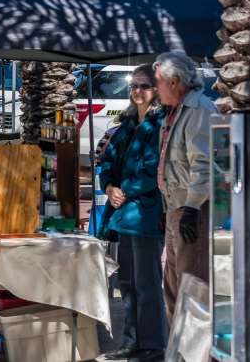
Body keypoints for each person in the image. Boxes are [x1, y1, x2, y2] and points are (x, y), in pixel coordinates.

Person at [98, 64, 167, 362]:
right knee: (126, 282)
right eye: (135, 86)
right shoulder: (126, 123)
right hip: (123, 215)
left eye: (145, 86)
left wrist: (123, 189)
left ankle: (152, 345)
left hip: (146, 215)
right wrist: (110, 186)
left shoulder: (161, 124)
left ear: (157, 90)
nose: (138, 91)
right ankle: (132, 341)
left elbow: (154, 169)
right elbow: (108, 161)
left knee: (147, 283)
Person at [155, 50, 218, 322]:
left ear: (174, 81)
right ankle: (177, 348)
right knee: (172, 285)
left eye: (158, 82)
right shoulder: (176, 111)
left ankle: (193, 350)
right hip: (175, 206)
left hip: (191, 208)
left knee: (191, 285)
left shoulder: (199, 109)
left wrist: (192, 208)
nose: (156, 89)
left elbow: (203, 165)